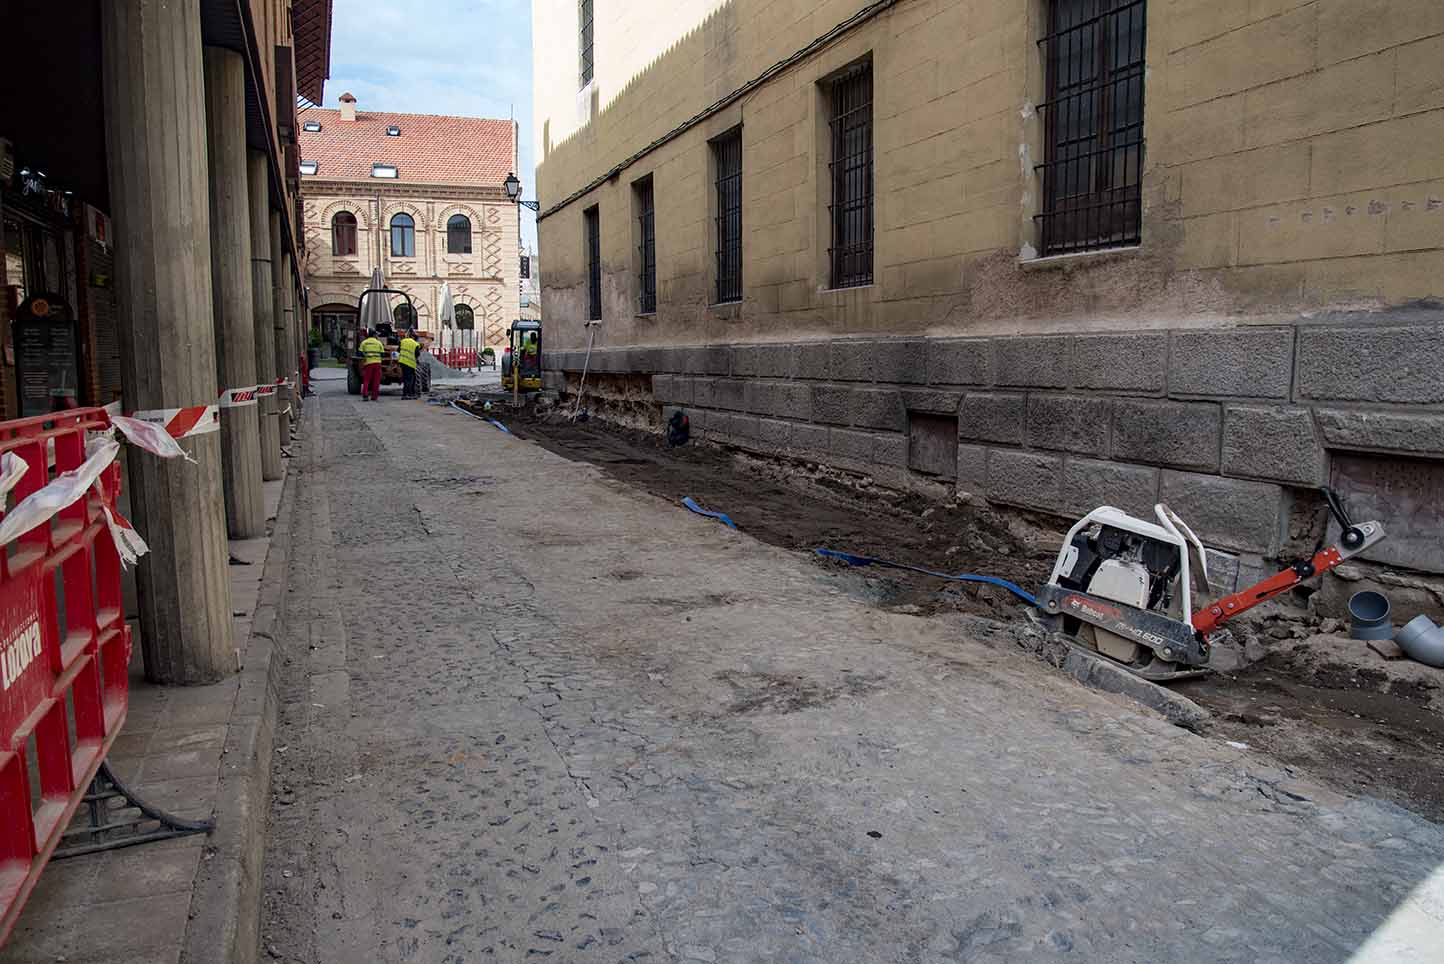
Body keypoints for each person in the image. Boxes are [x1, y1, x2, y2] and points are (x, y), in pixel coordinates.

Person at [358, 328, 384, 401]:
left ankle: (365, 396)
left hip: (368, 363)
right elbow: (382, 354)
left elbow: (360, 353)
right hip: (377, 364)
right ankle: (374, 396)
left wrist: (366, 355)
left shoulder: (364, 343)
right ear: (374, 335)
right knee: (376, 380)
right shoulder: (379, 343)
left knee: (366, 380)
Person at [398, 329, 420, 399]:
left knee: (405, 378)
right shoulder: (415, 344)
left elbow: (398, 350)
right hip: (410, 363)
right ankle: (408, 394)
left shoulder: (403, 341)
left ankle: (407, 394)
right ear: (414, 337)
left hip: (402, 362)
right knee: (410, 379)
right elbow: (417, 354)